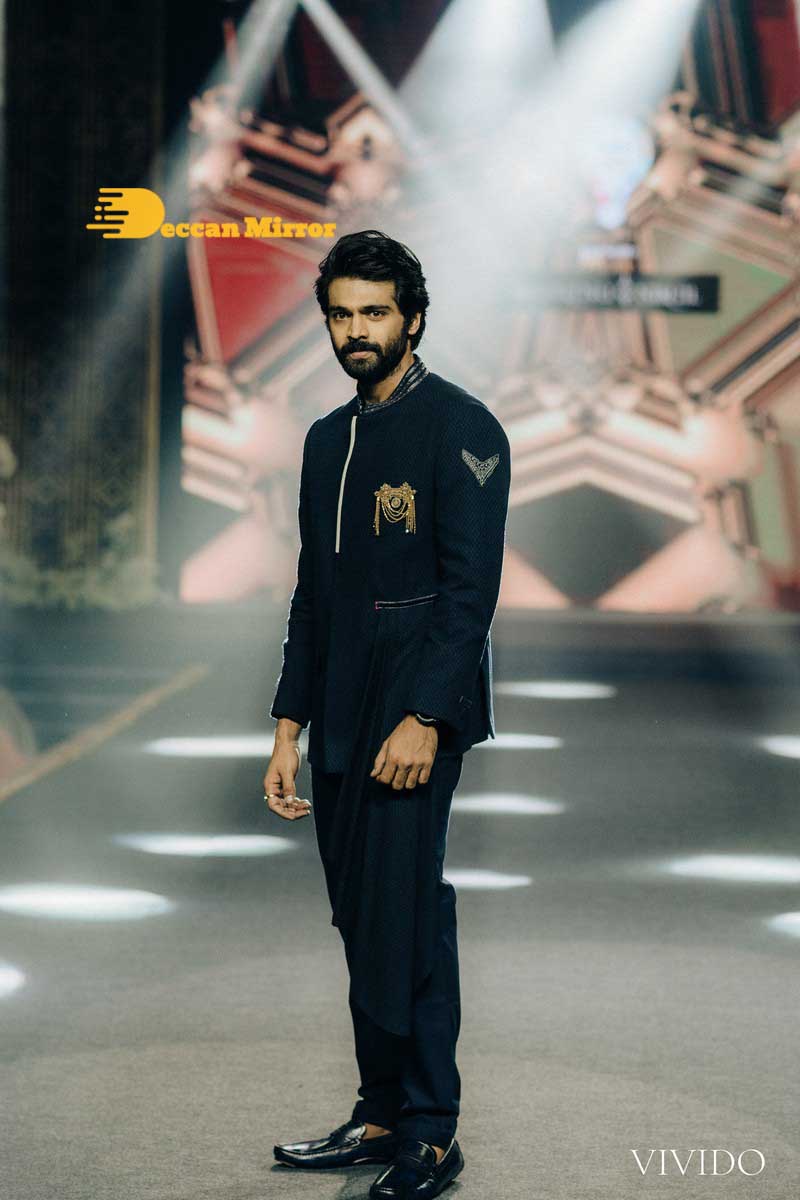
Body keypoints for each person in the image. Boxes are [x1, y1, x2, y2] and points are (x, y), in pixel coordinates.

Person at [263, 229, 511, 1200]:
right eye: (340, 314)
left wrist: (426, 717)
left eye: (374, 312)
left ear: (412, 318)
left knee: (406, 917)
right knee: (359, 920)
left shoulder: (463, 429)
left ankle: (431, 1132)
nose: (356, 331)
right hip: (336, 712)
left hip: (412, 715)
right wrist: (287, 728)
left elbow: (469, 594)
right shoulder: (326, 441)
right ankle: (377, 1116)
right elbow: (311, 596)